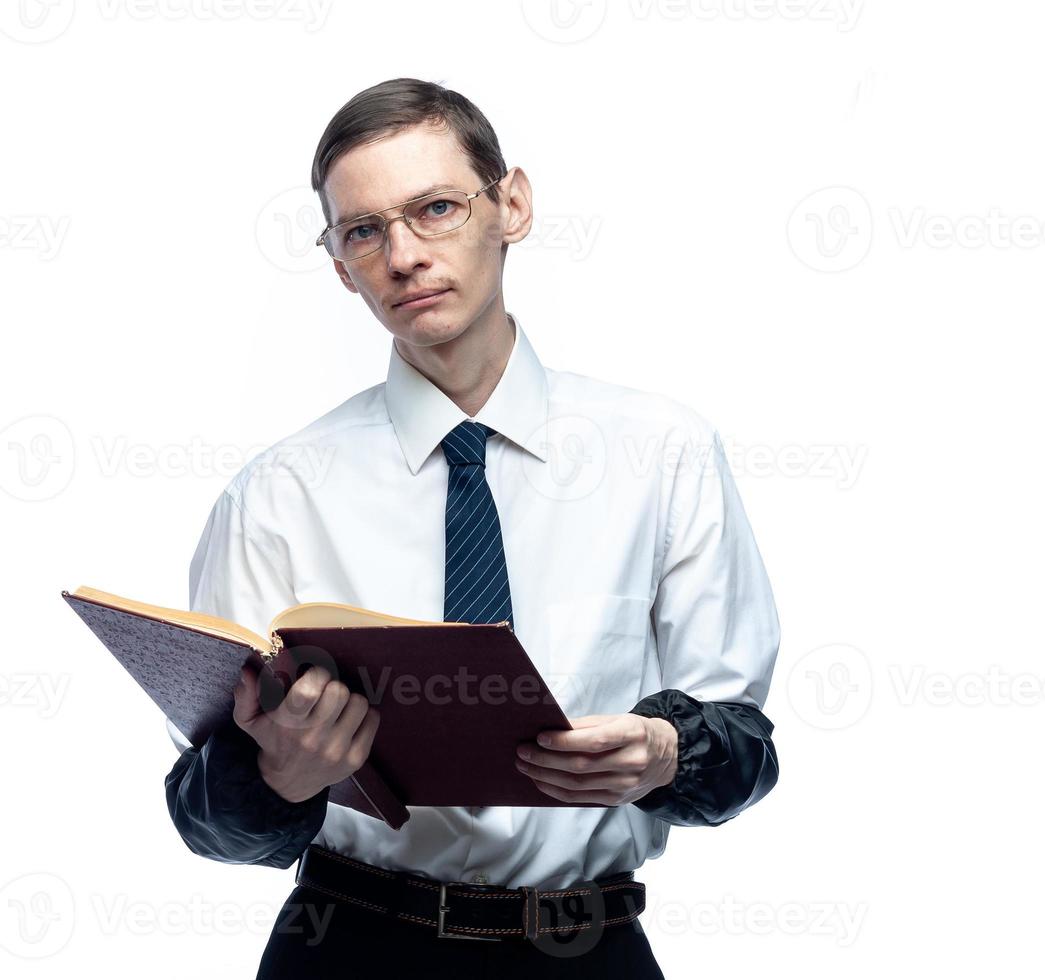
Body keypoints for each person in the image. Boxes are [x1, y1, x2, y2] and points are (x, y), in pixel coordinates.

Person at [163, 77, 780, 978]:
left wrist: (665, 752)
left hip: (588, 947)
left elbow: (745, 752)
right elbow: (203, 814)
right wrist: (278, 777)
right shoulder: (277, 492)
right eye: (364, 231)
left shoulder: (661, 451)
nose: (404, 255)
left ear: (512, 206)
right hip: (350, 945)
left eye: (436, 208)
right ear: (338, 264)